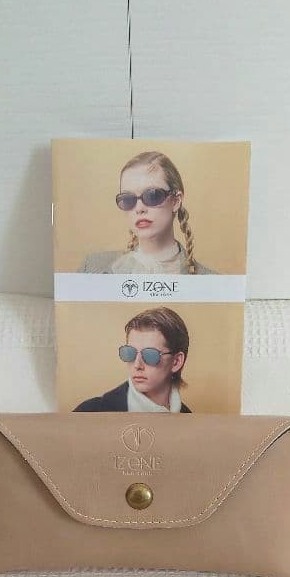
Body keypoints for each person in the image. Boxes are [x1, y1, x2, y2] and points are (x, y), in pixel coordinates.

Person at [77, 149, 218, 275]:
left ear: (176, 201)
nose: (139, 209)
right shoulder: (92, 267)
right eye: (127, 199)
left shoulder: (211, 280)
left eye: (152, 195)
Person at [74, 306, 192, 412]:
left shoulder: (189, 420)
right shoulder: (89, 413)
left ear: (176, 362)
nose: (137, 365)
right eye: (130, 353)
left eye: (150, 355)